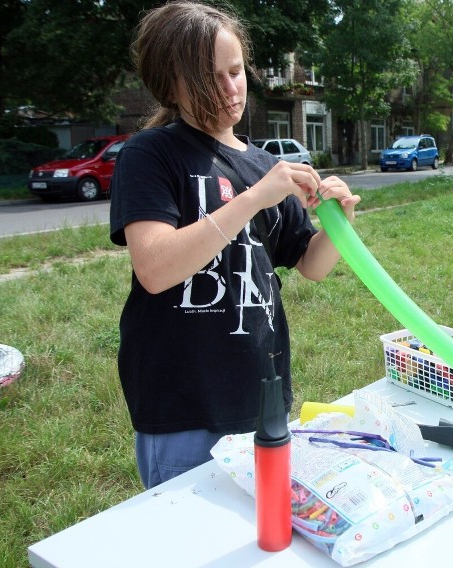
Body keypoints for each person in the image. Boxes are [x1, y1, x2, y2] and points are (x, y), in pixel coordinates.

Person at [109, 0, 360, 489]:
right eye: (210, 78)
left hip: (259, 392)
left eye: (236, 70)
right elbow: (155, 268)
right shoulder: (150, 153)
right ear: (170, 84)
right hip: (182, 402)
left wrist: (338, 225)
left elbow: (311, 264)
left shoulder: (262, 163)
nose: (230, 89)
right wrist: (253, 198)